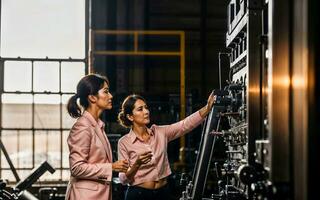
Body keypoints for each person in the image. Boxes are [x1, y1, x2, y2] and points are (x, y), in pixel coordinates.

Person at [117, 93, 215, 200]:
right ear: (130, 116)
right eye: (140, 109)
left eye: (146, 107)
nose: (146, 112)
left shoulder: (160, 132)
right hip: (139, 195)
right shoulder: (124, 142)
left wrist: (207, 107)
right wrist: (137, 164)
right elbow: (123, 179)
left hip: (163, 193)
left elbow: (184, 125)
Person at [65, 74, 129, 200]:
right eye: (106, 91)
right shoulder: (83, 127)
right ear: (92, 97)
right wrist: (111, 167)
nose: (110, 96)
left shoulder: (97, 125)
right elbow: (76, 168)